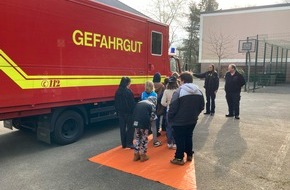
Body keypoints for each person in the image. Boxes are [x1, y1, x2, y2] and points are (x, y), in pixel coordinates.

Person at [168, 72, 204, 165]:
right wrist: (195, 114)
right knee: (189, 136)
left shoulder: (179, 91)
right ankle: (189, 155)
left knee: (179, 139)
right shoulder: (199, 91)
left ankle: (179, 158)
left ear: (183, 80)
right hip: (192, 120)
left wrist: (170, 118)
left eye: (180, 80)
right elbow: (202, 106)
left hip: (179, 121)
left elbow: (173, 107)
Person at [132, 96, 157, 162]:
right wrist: (150, 124)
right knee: (144, 138)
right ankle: (143, 155)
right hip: (144, 122)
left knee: (137, 137)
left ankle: (136, 154)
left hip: (136, 121)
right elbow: (152, 116)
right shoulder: (152, 105)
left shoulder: (139, 102)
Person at [114, 77, 136, 149]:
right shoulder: (128, 92)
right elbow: (132, 103)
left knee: (122, 128)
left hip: (120, 113)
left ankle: (123, 144)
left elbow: (116, 103)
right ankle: (129, 143)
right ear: (127, 83)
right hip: (129, 113)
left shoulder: (117, 91)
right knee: (130, 128)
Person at [140, 81, 162, 147]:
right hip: (152, 113)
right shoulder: (155, 94)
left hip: (144, 113)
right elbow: (156, 104)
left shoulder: (143, 94)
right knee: (154, 126)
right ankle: (155, 141)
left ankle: (144, 141)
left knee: (144, 127)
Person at [161, 76, 179, 149]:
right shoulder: (178, 90)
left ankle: (169, 143)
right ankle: (175, 143)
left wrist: (167, 105)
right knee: (176, 127)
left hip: (169, 110)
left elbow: (162, 102)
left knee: (169, 127)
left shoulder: (166, 91)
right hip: (177, 111)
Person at [153, 72, 165, 137]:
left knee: (154, 118)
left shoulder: (152, 85)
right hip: (160, 104)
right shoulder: (162, 86)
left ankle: (153, 130)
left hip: (153, 103)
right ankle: (159, 130)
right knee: (159, 117)